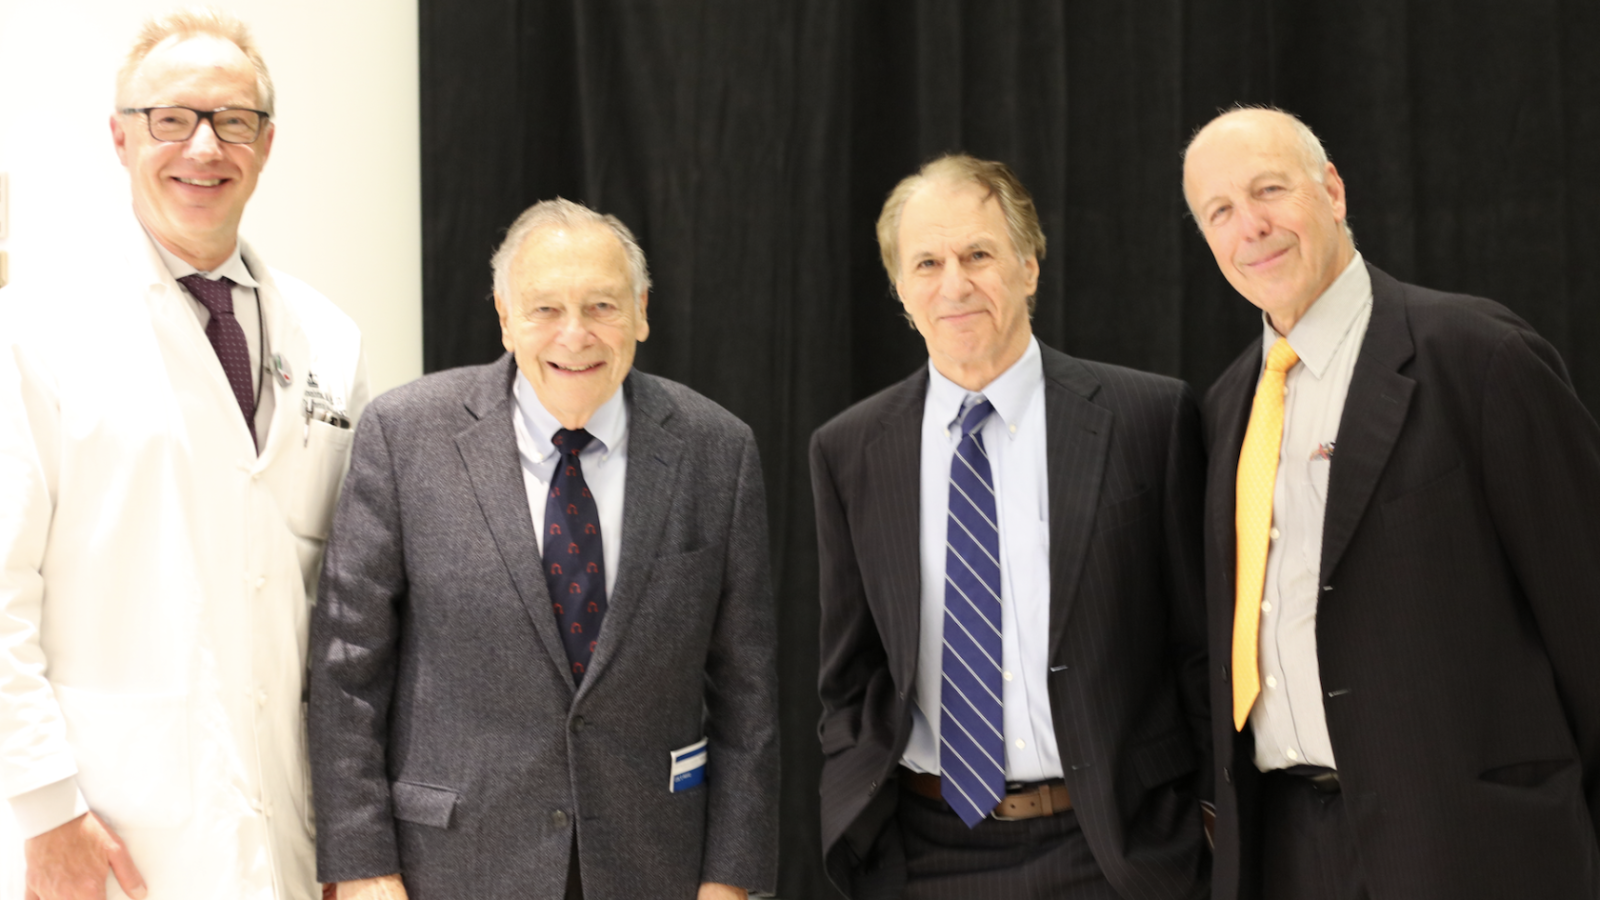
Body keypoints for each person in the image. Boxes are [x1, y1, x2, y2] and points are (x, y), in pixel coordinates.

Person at [307, 198, 779, 900]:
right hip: (451, 867)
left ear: (642, 312)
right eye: (545, 309)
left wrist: (730, 879)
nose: (575, 334)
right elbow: (347, 671)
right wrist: (361, 866)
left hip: (654, 866)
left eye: (602, 306)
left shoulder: (717, 450)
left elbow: (748, 691)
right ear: (505, 317)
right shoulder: (404, 437)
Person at [1183, 106, 1600, 900]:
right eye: (1220, 211)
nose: (1251, 227)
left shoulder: (1482, 358)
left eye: (1269, 190)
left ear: (1333, 191)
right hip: (1285, 850)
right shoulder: (1227, 405)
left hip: (1474, 848)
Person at [0, 9, 368, 900]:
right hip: (111, 833)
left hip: (290, 825)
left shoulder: (330, 338)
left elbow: (345, 604)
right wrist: (45, 811)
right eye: (171, 118)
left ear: (267, 144)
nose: (204, 147)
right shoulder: (36, 329)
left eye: (232, 121)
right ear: (120, 137)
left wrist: (352, 838)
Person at [811, 154, 1211, 899]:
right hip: (926, 854)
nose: (954, 284)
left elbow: (1200, 649)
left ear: (1029, 267)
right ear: (900, 288)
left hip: (1118, 847)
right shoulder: (850, 450)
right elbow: (850, 674)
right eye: (927, 263)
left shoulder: (1147, 420)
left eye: (978, 255)